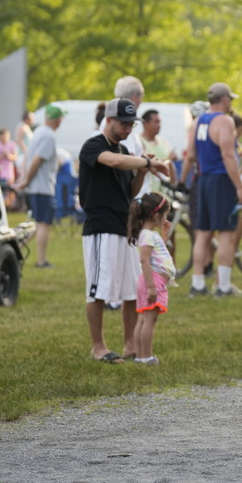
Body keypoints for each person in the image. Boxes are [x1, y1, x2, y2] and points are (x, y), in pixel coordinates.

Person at [79, 97, 171, 363]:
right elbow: (114, 162)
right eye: (124, 123)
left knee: (132, 290)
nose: (129, 129)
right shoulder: (94, 145)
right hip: (100, 228)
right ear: (109, 120)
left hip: (125, 228)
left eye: (132, 124)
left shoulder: (125, 150)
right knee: (98, 291)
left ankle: (131, 344)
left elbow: (129, 191)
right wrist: (146, 163)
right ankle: (98, 347)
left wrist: (142, 171)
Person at [182, 82, 242, 297]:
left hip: (203, 179)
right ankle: (223, 286)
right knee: (227, 234)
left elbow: (191, 154)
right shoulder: (224, 121)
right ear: (225, 99)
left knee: (203, 233)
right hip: (221, 180)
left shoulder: (198, 120)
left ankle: (198, 284)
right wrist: (239, 187)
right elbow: (228, 155)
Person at [14, 104, 67, 268]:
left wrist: (25, 177)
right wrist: (26, 180)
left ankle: (16, 247)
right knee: (44, 224)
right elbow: (37, 160)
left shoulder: (38, 132)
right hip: (43, 187)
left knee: (38, 224)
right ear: (57, 120)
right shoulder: (49, 136)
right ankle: (41, 261)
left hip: (37, 186)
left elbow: (28, 156)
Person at [128, 192, 176, 366]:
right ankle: (146, 357)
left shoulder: (148, 234)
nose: (166, 218)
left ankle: (141, 357)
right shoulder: (147, 235)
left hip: (151, 281)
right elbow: (144, 260)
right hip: (153, 282)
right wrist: (151, 287)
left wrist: (164, 235)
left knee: (143, 320)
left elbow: (157, 253)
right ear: (156, 216)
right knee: (149, 321)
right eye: (165, 215)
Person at [139, 109, 177, 193]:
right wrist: (167, 159)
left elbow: (171, 166)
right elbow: (143, 165)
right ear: (145, 123)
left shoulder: (164, 142)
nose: (159, 125)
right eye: (156, 122)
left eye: (160, 122)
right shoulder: (139, 142)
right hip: (148, 193)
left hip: (165, 193)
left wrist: (174, 185)